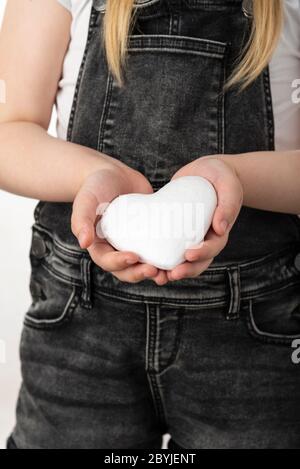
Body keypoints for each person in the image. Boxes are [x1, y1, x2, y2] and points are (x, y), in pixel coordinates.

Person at [1, 0, 300, 449]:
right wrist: (94, 177)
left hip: (253, 333)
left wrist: (235, 176)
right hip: (80, 320)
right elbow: (10, 130)